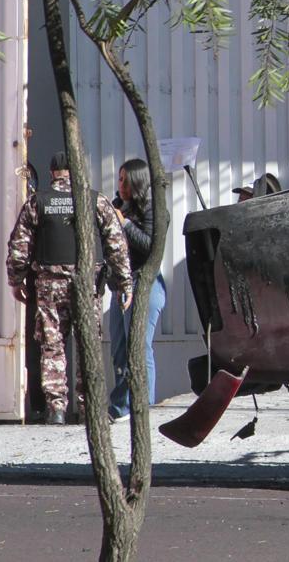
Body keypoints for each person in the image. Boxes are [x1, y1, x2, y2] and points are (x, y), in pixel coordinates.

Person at [5, 153, 134, 424]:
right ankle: (90, 409)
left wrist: (16, 281)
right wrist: (124, 282)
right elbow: (116, 243)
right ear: (75, 171)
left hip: (49, 287)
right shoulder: (94, 200)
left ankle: (57, 410)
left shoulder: (37, 202)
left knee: (53, 347)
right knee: (87, 345)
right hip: (87, 285)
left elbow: (19, 247)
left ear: (53, 173)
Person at [107, 158, 167, 422]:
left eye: (125, 180)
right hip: (121, 284)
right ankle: (121, 406)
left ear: (137, 181)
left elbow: (150, 245)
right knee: (119, 347)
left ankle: (144, 406)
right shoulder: (122, 207)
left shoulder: (153, 209)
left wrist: (125, 224)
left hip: (145, 284)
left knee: (139, 348)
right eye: (119, 179)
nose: (120, 185)